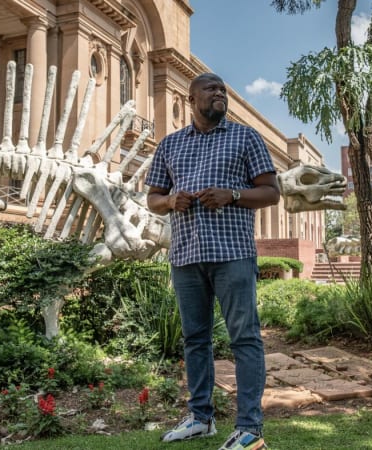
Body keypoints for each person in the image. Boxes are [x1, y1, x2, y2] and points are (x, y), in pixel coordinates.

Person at [145, 72, 279, 450]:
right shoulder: (169, 145)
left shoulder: (245, 137)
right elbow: (153, 198)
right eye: (212, 89)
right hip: (186, 256)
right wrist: (171, 201)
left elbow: (271, 192)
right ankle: (201, 418)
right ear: (191, 99)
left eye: (223, 90)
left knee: (245, 338)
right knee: (195, 339)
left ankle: (250, 429)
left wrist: (232, 194)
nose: (220, 94)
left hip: (232, 254)